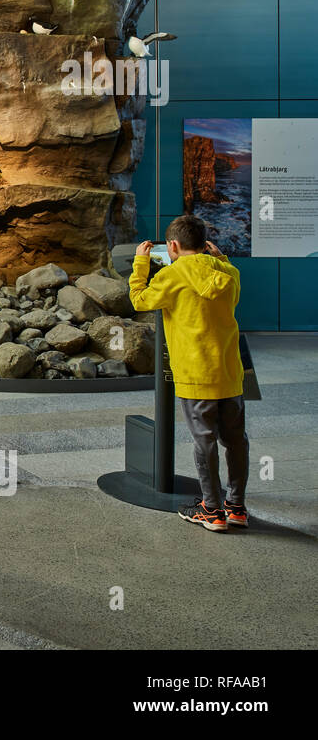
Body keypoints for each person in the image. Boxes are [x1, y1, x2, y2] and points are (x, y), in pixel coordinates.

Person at [129, 214, 247, 532]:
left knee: (204, 441)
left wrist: (140, 264)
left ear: (173, 246)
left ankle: (211, 510)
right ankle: (235, 507)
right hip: (229, 371)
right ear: (204, 245)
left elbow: (140, 300)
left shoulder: (172, 274)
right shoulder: (229, 272)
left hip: (196, 375)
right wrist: (220, 258)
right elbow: (231, 294)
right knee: (236, 440)